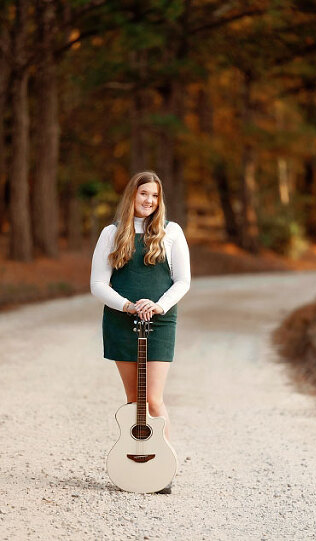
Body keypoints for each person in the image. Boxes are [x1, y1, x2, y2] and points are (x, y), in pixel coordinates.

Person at [90, 171, 191, 493]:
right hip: (122, 320)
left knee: (155, 400)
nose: (149, 200)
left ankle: (164, 469)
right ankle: (134, 466)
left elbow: (182, 281)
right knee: (134, 400)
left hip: (160, 320)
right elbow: (97, 285)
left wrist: (158, 306)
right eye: (143, 193)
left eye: (155, 195)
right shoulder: (112, 233)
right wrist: (128, 305)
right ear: (131, 196)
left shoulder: (170, 232)